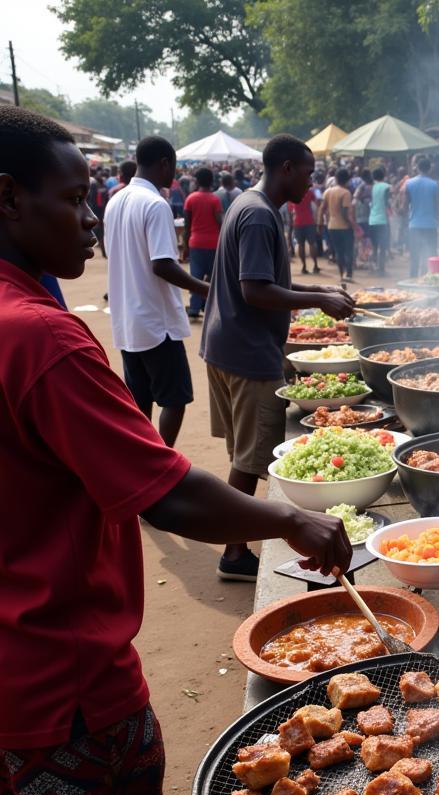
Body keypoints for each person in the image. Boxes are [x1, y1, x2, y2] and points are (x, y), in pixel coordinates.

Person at [0, 104, 352, 795]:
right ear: (6, 200)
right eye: (74, 200)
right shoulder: (38, 338)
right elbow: (167, 491)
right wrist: (291, 523)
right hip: (67, 679)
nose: (92, 217)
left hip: (5, 680)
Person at [200, 134, 355, 581]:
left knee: (240, 456)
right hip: (247, 354)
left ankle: (235, 546)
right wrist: (319, 302)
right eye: (307, 173)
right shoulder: (258, 216)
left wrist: (319, 291)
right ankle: (234, 553)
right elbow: (255, 289)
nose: (311, 182)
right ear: (286, 168)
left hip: (225, 345)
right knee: (251, 461)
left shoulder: (250, 204)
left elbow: (262, 281)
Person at [104, 136, 209, 447]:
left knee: (140, 401)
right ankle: (160, 459)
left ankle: (141, 458)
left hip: (128, 320)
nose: (173, 175)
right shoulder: (154, 203)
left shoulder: (116, 201)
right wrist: (208, 288)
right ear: (164, 163)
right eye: (173, 167)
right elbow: (163, 265)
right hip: (155, 322)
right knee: (175, 398)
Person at [181, 165, 223, 320]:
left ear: (197, 181)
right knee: (213, 277)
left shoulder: (190, 199)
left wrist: (185, 246)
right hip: (213, 243)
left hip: (196, 243)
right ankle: (209, 306)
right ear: (211, 181)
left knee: (196, 277)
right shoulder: (214, 199)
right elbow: (220, 222)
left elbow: (187, 225)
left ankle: (194, 307)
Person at [404, 155, 439, 277]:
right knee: (430, 257)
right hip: (430, 226)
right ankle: (428, 283)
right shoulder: (434, 185)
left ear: (417, 168)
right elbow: (438, 207)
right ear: (429, 169)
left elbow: (405, 205)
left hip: (414, 225)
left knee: (414, 257)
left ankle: (413, 284)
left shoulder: (409, 183)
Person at [320, 166, 355, 280]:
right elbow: (345, 212)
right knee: (349, 250)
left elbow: (322, 208)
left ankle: (341, 274)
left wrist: (319, 223)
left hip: (332, 226)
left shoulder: (328, 191)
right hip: (344, 227)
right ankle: (349, 274)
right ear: (347, 179)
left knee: (338, 251)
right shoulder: (346, 193)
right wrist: (351, 224)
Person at [288, 182, 320, 274]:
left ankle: (304, 267)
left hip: (297, 222)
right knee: (312, 243)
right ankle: (315, 265)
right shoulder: (309, 192)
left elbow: (290, 211)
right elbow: (317, 203)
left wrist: (291, 222)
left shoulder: (292, 194)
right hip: (309, 220)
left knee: (300, 245)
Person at [368, 166, 391, 274]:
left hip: (372, 220)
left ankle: (372, 266)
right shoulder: (387, 186)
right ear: (384, 175)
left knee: (374, 246)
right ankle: (381, 269)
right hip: (382, 220)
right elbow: (387, 203)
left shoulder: (371, 187)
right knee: (382, 247)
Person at [87, 169, 108, 257]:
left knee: (98, 231)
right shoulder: (104, 187)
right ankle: (103, 250)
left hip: (96, 211)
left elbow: (91, 200)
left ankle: (100, 247)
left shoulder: (94, 186)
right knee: (101, 232)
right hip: (102, 211)